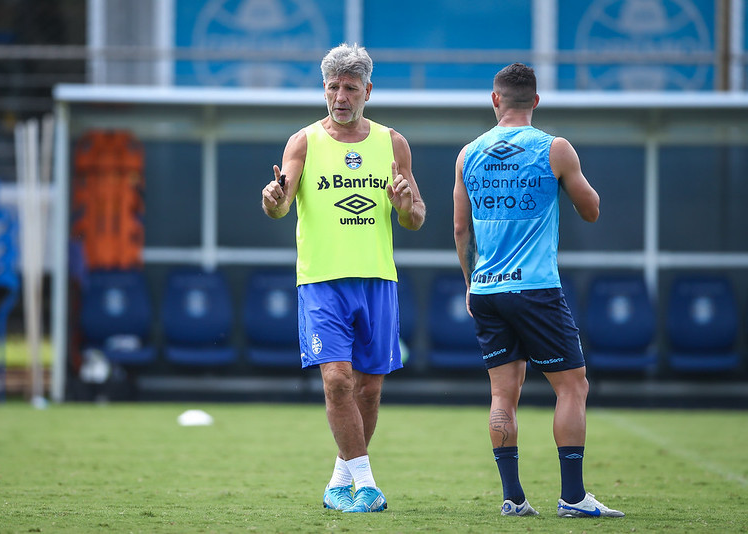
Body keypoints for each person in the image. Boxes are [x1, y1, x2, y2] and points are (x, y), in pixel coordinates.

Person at [452, 62, 624, 518]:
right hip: (536, 289)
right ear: (536, 101)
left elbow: (460, 230)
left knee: (502, 395)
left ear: (495, 100)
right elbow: (592, 211)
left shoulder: (468, 154)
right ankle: (572, 498)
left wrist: (471, 286)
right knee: (572, 387)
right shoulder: (555, 148)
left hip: (487, 290)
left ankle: (513, 498)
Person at [261, 43, 426, 513]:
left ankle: (339, 480)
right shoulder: (304, 141)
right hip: (322, 281)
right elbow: (281, 202)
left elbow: (416, 217)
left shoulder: (393, 143)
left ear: (367, 91)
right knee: (337, 380)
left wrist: (404, 206)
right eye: (333, 87)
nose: (340, 97)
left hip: (377, 280)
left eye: (350, 88)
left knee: (369, 389)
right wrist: (273, 198)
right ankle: (368, 485)